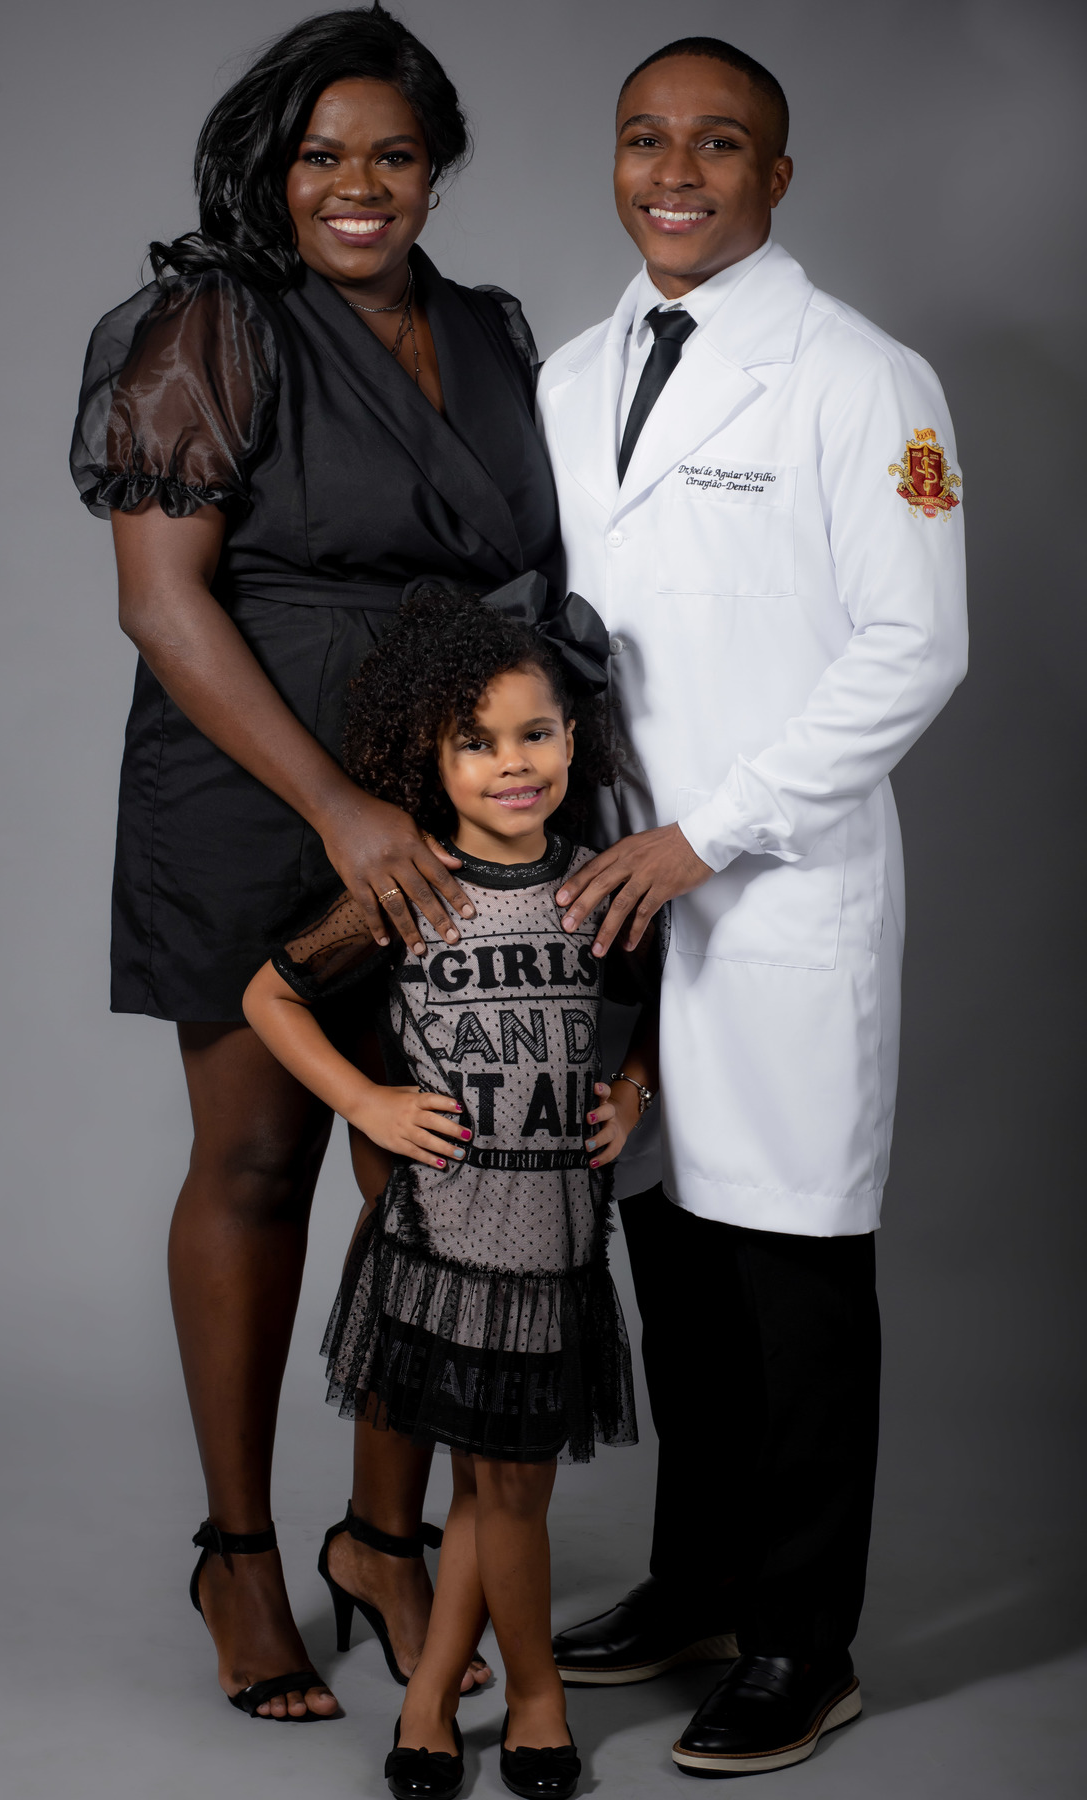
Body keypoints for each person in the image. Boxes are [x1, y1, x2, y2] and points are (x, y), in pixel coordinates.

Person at [69, 7, 561, 1722]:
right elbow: (161, 602)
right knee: (261, 1159)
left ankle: (382, 1537)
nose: (358, 185)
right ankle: (238, 1552)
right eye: (320, 155)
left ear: (438, 168)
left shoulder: (492, 330)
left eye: (394, 155)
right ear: (272, 171)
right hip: (248, 784)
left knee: (432, 1180)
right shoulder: (211, 322)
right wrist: (339, 807)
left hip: (450, 797)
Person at [537, 36, 968, 1777]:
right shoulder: (574, 375)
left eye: (719, 144)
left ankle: (805, 1642)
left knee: (789, 1271)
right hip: (609, 886)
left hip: (772, 890)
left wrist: (708, 835)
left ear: (776, 177)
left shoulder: (861, 377)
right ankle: (700, 1582)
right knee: (671, 1255)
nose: (676, 171)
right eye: (645, 138)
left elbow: (915, 648)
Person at [244, 583, 656, 1800]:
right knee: (498, 1485)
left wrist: (632, 1091)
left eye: (535, 734)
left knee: (496, 1484)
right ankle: (535, 1697)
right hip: (443, 1247)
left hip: (556, 1252)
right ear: (428, 759)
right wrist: (367, 1105)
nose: (512, 763)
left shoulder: (598, 890)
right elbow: (271, 994)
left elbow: (662, 1012)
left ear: (574, 740)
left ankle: (432, 1695)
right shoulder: (412, 888)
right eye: (476, 743)